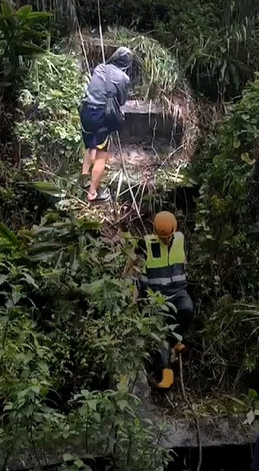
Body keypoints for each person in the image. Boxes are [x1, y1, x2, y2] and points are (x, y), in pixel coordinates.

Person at [136, 211, 193, 387]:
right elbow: (133, 262)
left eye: (168, 237)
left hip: (178, 292)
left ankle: (176, 340)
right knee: (160, 335)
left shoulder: (180, 239)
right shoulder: (146, 243)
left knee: (187, 309)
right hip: (157, 296)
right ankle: (166, 374)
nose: (166, 240)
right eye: (163, 237)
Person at [79, 46, 133, 202]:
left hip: (86, 111)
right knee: (101, 155)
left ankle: (83, 180)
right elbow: (121, 101)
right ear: (127, 64)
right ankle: (92, 194)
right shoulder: (124, 78)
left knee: (90, 146)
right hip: (101, 116)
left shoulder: (99, 68)